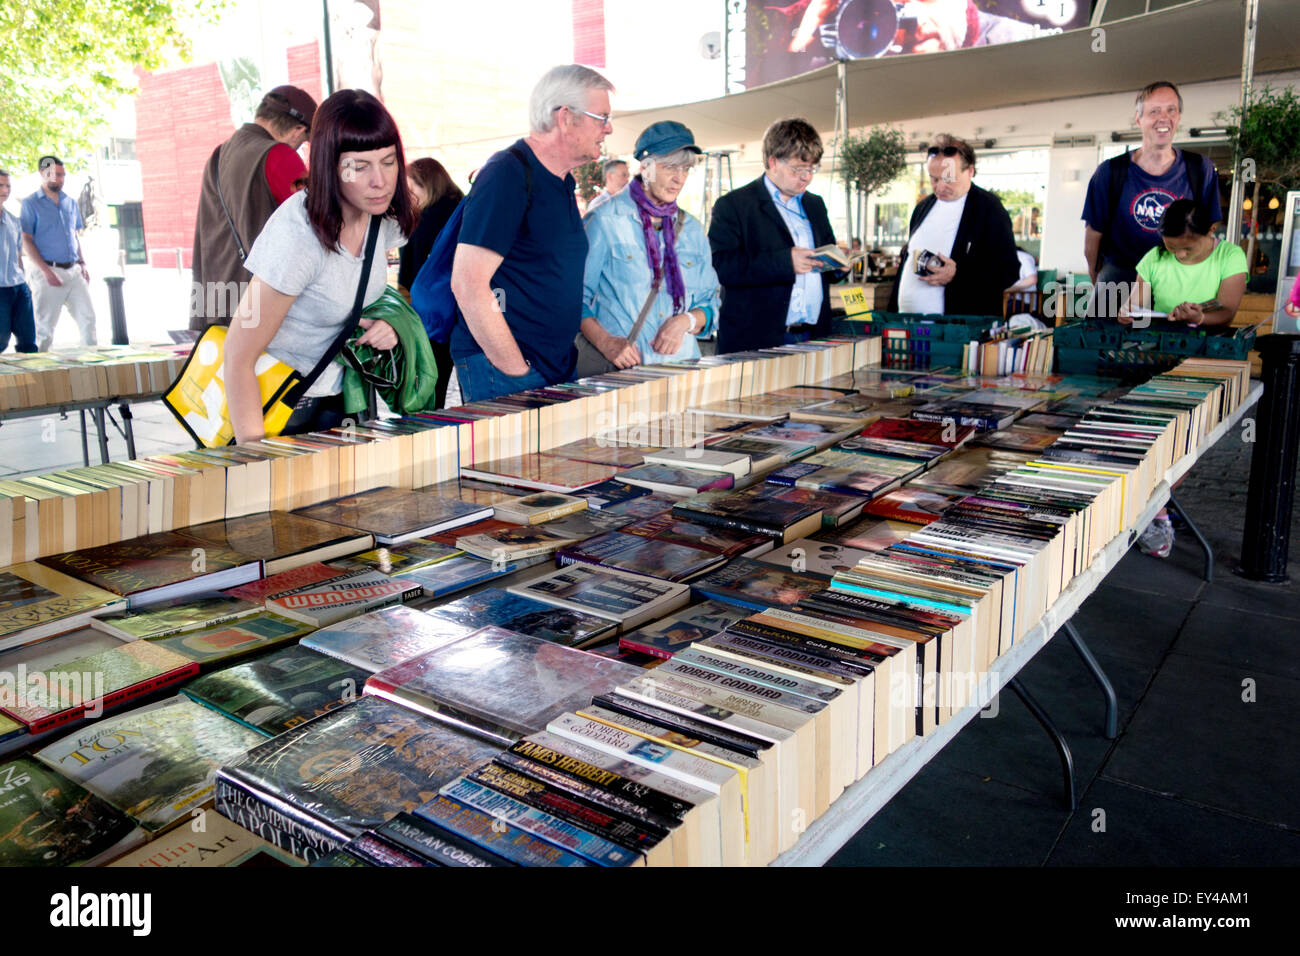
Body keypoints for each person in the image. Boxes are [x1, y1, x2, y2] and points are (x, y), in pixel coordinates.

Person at [224, 89, 417, 444]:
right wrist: (254, 460)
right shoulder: (296, 235)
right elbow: (237, 356)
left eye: (388, 162)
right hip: (278, 409)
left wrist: (388, 324)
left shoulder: (382, 219)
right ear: (331, 165)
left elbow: (359, 296)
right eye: (360, 166)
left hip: (342, 401)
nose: (380, 180)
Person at [449, 64, 615, 402]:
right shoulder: (507, 173)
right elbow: (468, 283)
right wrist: (517, 370)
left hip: (552, 368)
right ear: (566, 118)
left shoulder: (562, 181)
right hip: (508, 371)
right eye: (602, 117)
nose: (608, 129)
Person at [580, 122, 719, 368]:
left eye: (686, 169)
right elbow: (574, 299)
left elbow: (711, 304)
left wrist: (686, 321)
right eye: (670, 167)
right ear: (645, 168)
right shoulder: (604, 221)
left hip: (683, 370)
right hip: (621, 373)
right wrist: (606, 342)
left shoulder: (693, 230)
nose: (679, 179)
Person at [1082, 81, 1222, 317]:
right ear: (1139, 119)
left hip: (1178, 276)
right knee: (1103, 345)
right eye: (1154, 111)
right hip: (1121, 275)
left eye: (1171, 110)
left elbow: (1210, 228)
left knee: (1167, 349)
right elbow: (1093, 234)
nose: (1163, 118)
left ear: (1178, 117)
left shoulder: (1200, 168)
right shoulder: (1111, 172)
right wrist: (1098, 276)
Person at [190, 85, 318, 330]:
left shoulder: (218, 155)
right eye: (303, 142)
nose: (299, 147)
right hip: (262, 311)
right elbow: (316, 224)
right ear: (298, 130)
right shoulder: (279, 155)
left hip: (219, 308)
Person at [709, 117, 839, 353]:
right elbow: (721, 266)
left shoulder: (815, 205)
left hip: (814, 337)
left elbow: (825, 261)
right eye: (798, 169)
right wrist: (784, 262)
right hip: (757, 340)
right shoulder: (734, 205)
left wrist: (839, 264)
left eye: (812, 168)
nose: (806, 177)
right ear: (773, 162)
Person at [887, 135, 1020, 317]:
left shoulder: (989, 209)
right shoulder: (923, 207)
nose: (940, 187)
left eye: (948, 179)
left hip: (958, 331)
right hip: (907, 325)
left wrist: (957, 276)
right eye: (934, 179)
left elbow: (1009, 271)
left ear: (970, 171)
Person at [1119, 199, 1247, 328]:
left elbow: (1227, 311)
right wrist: (1127, 312)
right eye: (1171, 247)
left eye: (1188, 248)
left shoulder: (1231, 256)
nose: (1179, 255)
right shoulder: (1156, 256)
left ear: (1210, 230)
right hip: (1159, 339)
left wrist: (1200, 318)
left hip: (1210, 342)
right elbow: (1135, 304)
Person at [398, 157, 462, 408]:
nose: (410, 196)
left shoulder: (423, 219)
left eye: (412, 189)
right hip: (459, 313)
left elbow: (409, 274)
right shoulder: (462, 209)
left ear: (428, 185)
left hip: (429, 318)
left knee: (425, 391)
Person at [20, 156, 97, 352]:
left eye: (62, 175)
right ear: (42, 174)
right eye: (53, 174)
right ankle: (40, 373)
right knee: (44, 329)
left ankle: (91, 367)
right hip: (46, 272)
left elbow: (73, 236)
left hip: (73, 271)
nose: (58, 179)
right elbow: (26, 240)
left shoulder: (70, 202)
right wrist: (46, 271)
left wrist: (83, 263)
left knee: (88, 319)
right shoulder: (30, 204)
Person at [0, 169, 36, 353]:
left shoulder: (13, 221)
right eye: (1, 185)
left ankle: (34, 380)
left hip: (19, 288)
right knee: (1, 341)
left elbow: (17, 256)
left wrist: (25, 283)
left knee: (28, 344)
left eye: (8, 186)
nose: (5, 190)